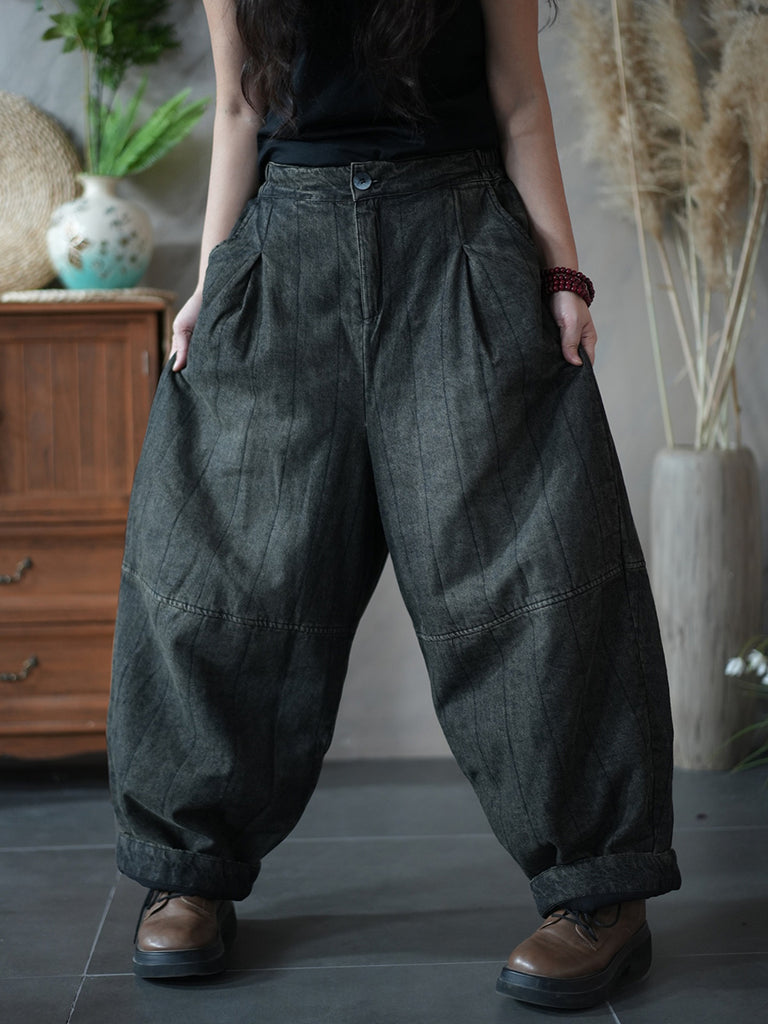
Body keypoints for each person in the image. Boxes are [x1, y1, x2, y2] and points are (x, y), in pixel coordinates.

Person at [107, 0, 681, 1010]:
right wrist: (212, 281)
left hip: (455, 238)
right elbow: (240, 108)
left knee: (534, 566)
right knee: (219, 567)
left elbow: (519, 98)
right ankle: (187, 871)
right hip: (284, 247)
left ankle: (600, 890)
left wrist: (563, 274)